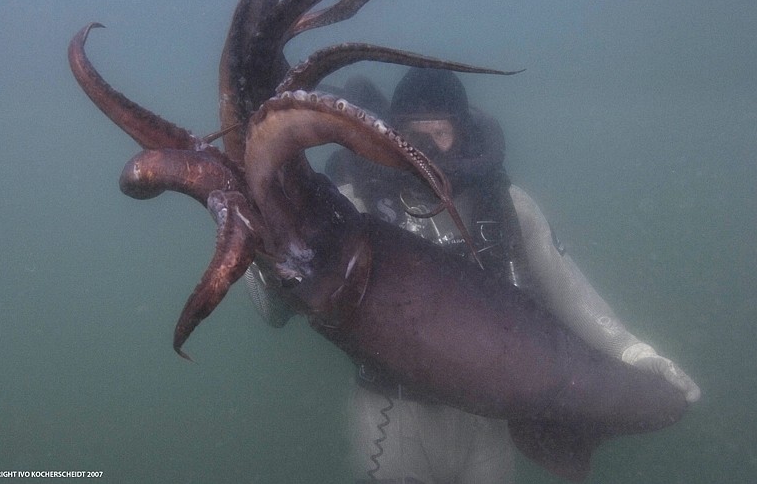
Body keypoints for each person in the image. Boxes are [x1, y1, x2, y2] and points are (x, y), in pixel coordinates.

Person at [246, 69, 700, 484]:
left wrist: (633, 351)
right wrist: (260, 256)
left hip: (487, 421)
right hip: (392, 412)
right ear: (392, 135)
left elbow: (569, 290)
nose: (427, 148)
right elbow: (276, 309)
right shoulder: (353, 207)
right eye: (413, 135)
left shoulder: (508, 208)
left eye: (440, 133)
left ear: (461, 134)